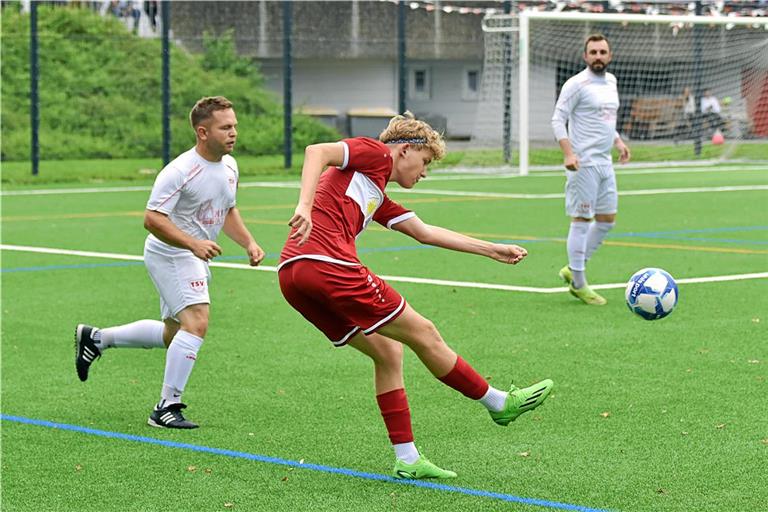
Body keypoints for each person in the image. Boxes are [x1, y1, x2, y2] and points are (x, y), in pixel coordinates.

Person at [278, 112, 554, 479]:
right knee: (424, 332)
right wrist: (303, 205)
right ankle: (499, 402)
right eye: (424, 162)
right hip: (328, 264)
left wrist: (491, 249)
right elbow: (316, 151)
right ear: (404, 149)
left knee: (389, 351)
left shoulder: (374, 192)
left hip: (293, 275)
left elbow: (425, 232)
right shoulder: (376, 154)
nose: (424, 173)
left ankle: (407, 459)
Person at [74, 96, 265, 429]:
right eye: (226, 127)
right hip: (171, 253)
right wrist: (192, 243)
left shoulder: (230, 166)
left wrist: (248, 242)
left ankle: (97, 339)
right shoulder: (180, 170)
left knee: (174, 333)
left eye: (234, 125)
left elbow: (226, 208)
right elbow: (151, 219)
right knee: (197, 322)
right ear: (203, 132)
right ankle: (166, 407)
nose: (234, 133)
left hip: (190, 254)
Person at [551, 33, 631, 306]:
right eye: (593, 52)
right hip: (582, 164)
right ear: (585, 56)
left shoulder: (611, 82)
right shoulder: (576, 84)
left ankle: (574, 266)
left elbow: (605, 119)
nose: (598, 56)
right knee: (582, 221)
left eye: (602, 52)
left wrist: (618, 141)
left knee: (607, 220)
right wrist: (568, 153)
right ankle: (579, 283)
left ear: (610, 55)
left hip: (605, 162)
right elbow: (558, 119)